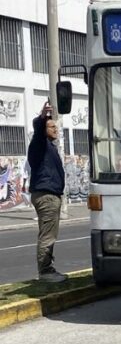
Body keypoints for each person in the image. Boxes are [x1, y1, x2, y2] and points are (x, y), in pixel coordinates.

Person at [27, 102, 66, 282]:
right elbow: (37, 129)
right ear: (43, 129)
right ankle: (45, 272)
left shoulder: (50, 147)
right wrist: (43, 117)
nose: (56, 129)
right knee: (47, 235)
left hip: (51, 194)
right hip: (46, 195)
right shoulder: (39, 144)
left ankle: (47, 269)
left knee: (49, 233)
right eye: (51, 127)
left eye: (56, 126)